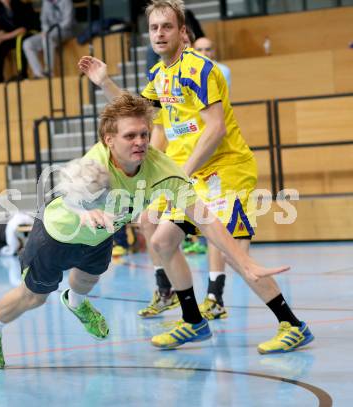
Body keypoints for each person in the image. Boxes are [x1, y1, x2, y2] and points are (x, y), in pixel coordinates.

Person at [0, 93, 290, 369]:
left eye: (144, 133)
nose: (140, 142)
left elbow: (207, 220)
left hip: (100, 236)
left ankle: (74, 301)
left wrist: (245, 262)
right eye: (130, 136)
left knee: (87, 279)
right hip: (57, 236)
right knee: (34, 297)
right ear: (109, 140)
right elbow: (66, 193)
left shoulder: (163, 169)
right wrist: (84, 209)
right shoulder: (95, 164)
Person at [78, 0, 314, 354]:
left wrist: (181, 175)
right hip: (191, 175)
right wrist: (104, 81)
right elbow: (138, 113)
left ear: (183, 32)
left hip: (224, 170)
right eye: (154, 28)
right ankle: (193, 321)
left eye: (166, 27)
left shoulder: (201, 70)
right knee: (161, 242)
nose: (159, 33)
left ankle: (292, 325)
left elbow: (215, 129)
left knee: (231, 251)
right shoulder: (160, 74)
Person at [23, 0, 74, 79]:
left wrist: (49, 32)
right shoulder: (46, 2)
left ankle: (49, 71)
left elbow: (67, 22)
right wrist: (46, 30)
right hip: (49, 33)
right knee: (27, 43)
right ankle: (39, 73)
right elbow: (43, 20)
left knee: (47, 38)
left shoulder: (66, 1)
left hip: (65, 31)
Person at [0, 0, 33, 83]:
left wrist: (4, 37)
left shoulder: (21, 6)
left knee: (19, 41)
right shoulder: (0, 9)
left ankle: (22, 73)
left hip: (27, 33)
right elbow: (0, 28)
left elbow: (23, 29)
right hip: (11, 36)